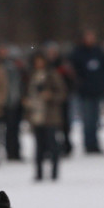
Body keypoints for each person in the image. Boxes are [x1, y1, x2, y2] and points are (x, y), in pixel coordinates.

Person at [24, 52, 66, 181]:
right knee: (38, 147)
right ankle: (39, 173)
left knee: (52, 145)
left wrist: (50, 96)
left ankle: (54, 172)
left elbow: (62, 93)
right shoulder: (31, 75)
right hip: (36, 115)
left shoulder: (52, 74)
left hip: (50, 116)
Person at [71, 29, 104, 154]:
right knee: (87, 119)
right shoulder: (77, 53)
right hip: (84, 92)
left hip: (97, 90)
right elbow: (74, 71)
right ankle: (89, 144)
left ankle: (95, 143)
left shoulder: (99, 52)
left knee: (96, 119)